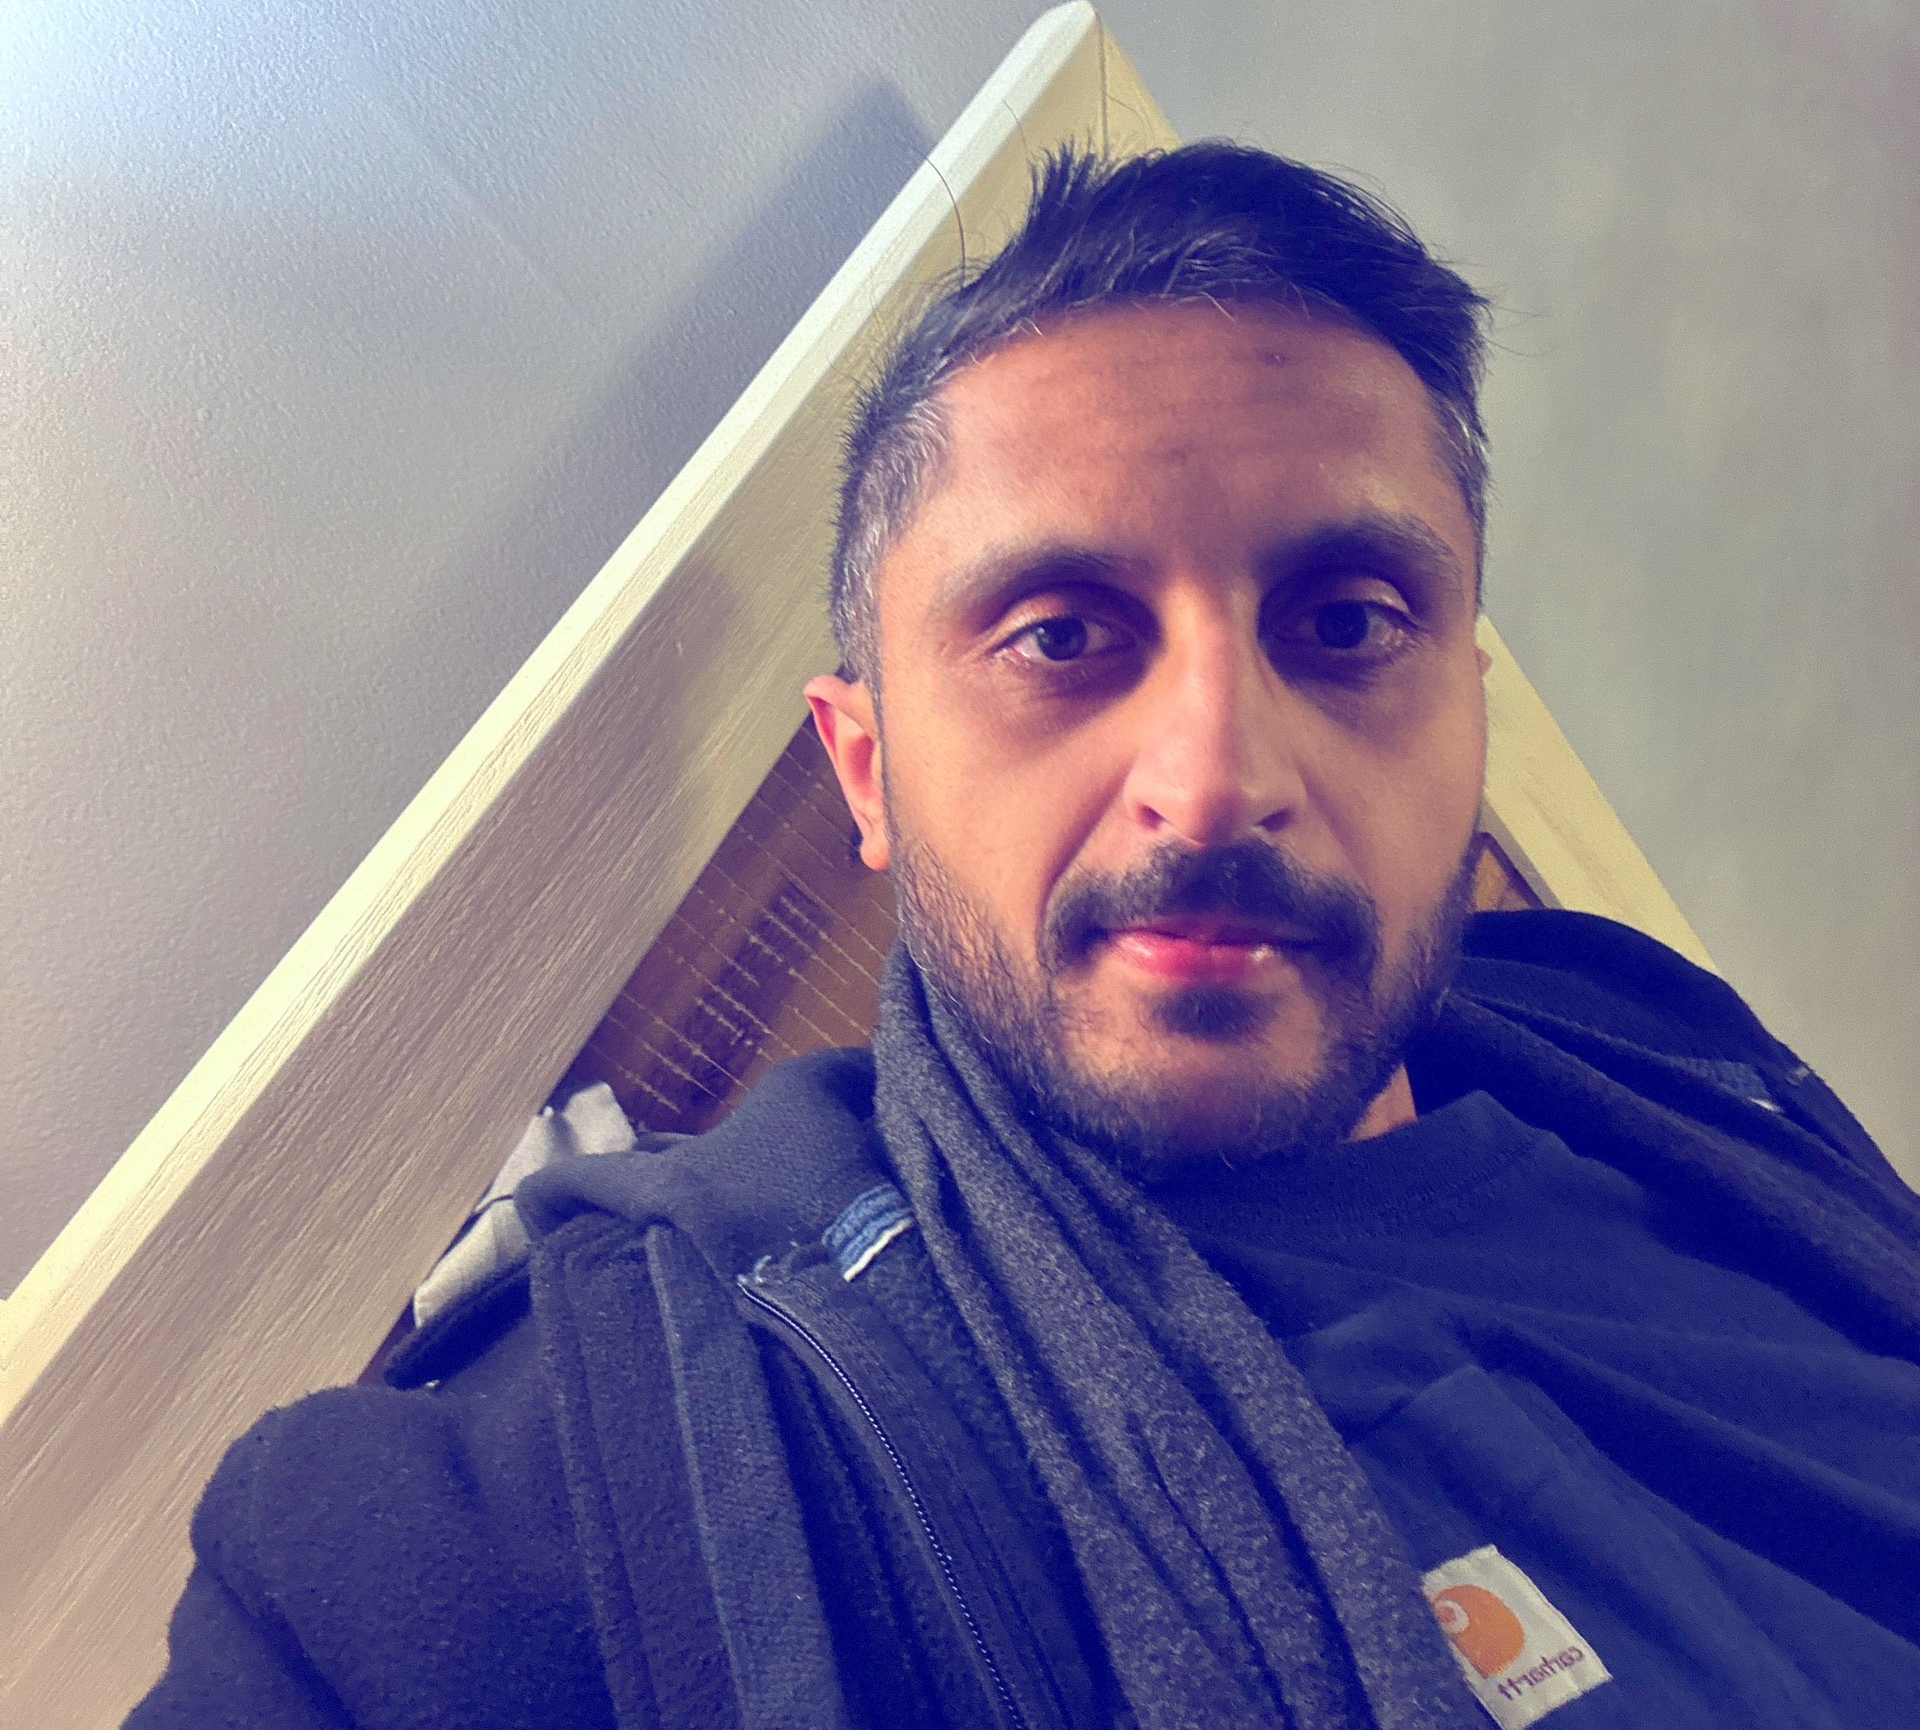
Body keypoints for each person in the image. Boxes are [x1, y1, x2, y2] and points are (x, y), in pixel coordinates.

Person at [129, 146, 1920, 1730]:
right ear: (867, 767)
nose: (1216, 783)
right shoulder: (595, 1481)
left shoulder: (1663, 1037)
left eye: (1347, 622)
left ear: (1466, 696)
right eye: (1060, 636)